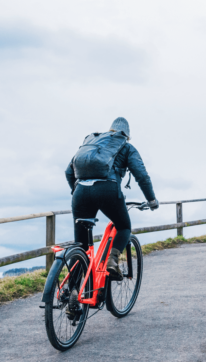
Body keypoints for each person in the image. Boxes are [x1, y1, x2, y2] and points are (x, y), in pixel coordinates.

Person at [65, 117, 158, 279]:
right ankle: (111, 261)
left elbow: (68, 172)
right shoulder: (126, 147)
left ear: (110, 130)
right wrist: (151, 200)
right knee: (123, 226)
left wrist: (78, 191)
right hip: (107, 190)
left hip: (80, 191)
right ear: (126, 135)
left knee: (81, 246)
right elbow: (142, 176)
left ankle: (71, 291)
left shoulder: (93, 144)